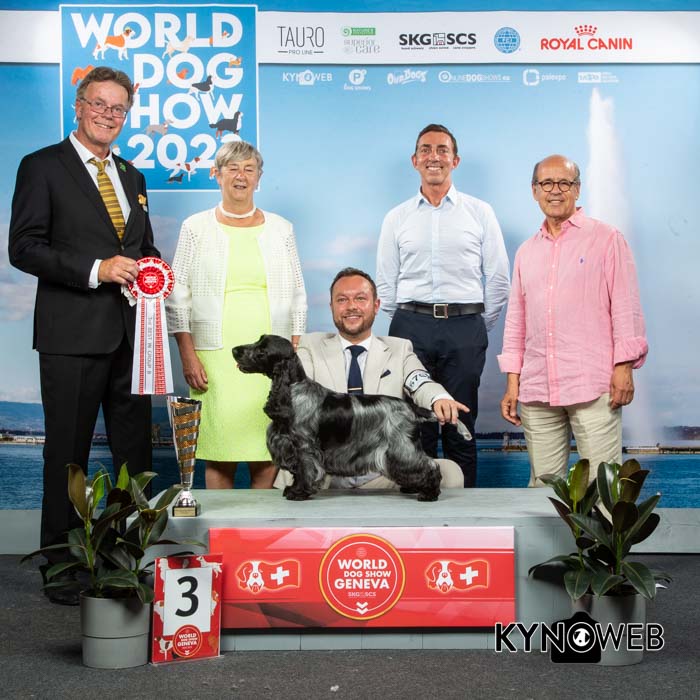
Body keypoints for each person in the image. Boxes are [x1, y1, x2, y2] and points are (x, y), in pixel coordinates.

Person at [8, 66, 158, 604]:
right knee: (67, 454)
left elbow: (144, 250)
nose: (108, 115)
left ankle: (127, 558)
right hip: (70, 335)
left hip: (131, 338)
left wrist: (154, 272)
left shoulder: (133, 176)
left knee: (134, 455)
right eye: (99, 104)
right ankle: (63, 567)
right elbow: (24, 247)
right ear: (79, 106)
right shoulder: (41, 166)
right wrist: (98, 268)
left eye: (119, 108)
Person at [498, 154, 648, 486]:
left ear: (577, 189)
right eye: (546, 183)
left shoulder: (607, 239)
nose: (555, 190)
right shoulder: (526, 252)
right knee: (543, 489)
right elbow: (516, 323)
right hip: (537, 388)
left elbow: (626, 308)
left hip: (593, 385)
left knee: (603, 487)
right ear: (534, 191)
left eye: (564, 183)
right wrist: (513, 382)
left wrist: (624, 367)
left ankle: (603, 526)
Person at [166, 141, 307, 490]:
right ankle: (222, 521)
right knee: (219, 449)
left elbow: (297, 290)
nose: (240, 176)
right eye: (232, 168)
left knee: (267, 446)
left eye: (249, 169)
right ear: (217, 174)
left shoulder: (282, 228)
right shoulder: (195, 227)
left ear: (259, 177)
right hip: (214, 353)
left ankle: (260, 523)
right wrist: (187, 354)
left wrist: (294, 345)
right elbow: (177, 293)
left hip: (269, 354)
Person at [376, 124, 510, 488]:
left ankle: (463, 510)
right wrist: (409, 322)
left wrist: (473, 325)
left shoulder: (480, 212)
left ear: (455, 160)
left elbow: (498, 279)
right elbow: (386, 284)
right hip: (411, 328)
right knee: (414, 425)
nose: (433, 156)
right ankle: (416, 507)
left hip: (465, 328)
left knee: (460, 426)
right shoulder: (397, 217)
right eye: (426, 149)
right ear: (415, 160)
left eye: (442, 149)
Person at [275, 267, 465, 491]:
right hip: (324, 474)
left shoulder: (399, 349)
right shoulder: (310, 345)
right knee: (296, 472)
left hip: (383, 473)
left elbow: (420, 381)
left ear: (376, 305)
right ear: (332, 307)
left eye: (360, 298)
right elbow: (294, 386)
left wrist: (438, 398)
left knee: (450, 473)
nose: (351, 306)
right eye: (342, 300)